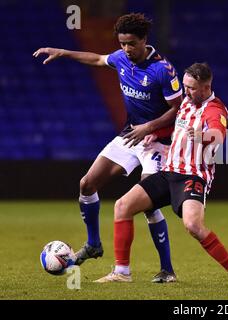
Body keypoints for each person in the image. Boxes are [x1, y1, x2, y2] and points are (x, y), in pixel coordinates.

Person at [33, 13, 181, 283]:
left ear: (144, 40)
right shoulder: (122, 58)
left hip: (158, 142)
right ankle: (93, 245)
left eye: (131, 43)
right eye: (122, 43)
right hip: (130, 135)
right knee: (87, 184)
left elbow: (178, 109)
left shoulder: (163, 69)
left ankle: (165, 270)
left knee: (147, 204)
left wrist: (149, 128)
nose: (126, 49)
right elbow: (99, 59)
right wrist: (64, 52)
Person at [94, 62, 228, 286]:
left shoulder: (215, 109)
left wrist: (201, 136)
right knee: (122, 206)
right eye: (185, 85)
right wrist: (156, 133)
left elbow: (217, 134)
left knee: (193, 226)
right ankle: (122, 272)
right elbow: (176, 127)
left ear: (206, 87)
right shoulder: (187, 103)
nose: (185, 91)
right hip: (168, 172)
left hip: (192, 176)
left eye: (191, 87)